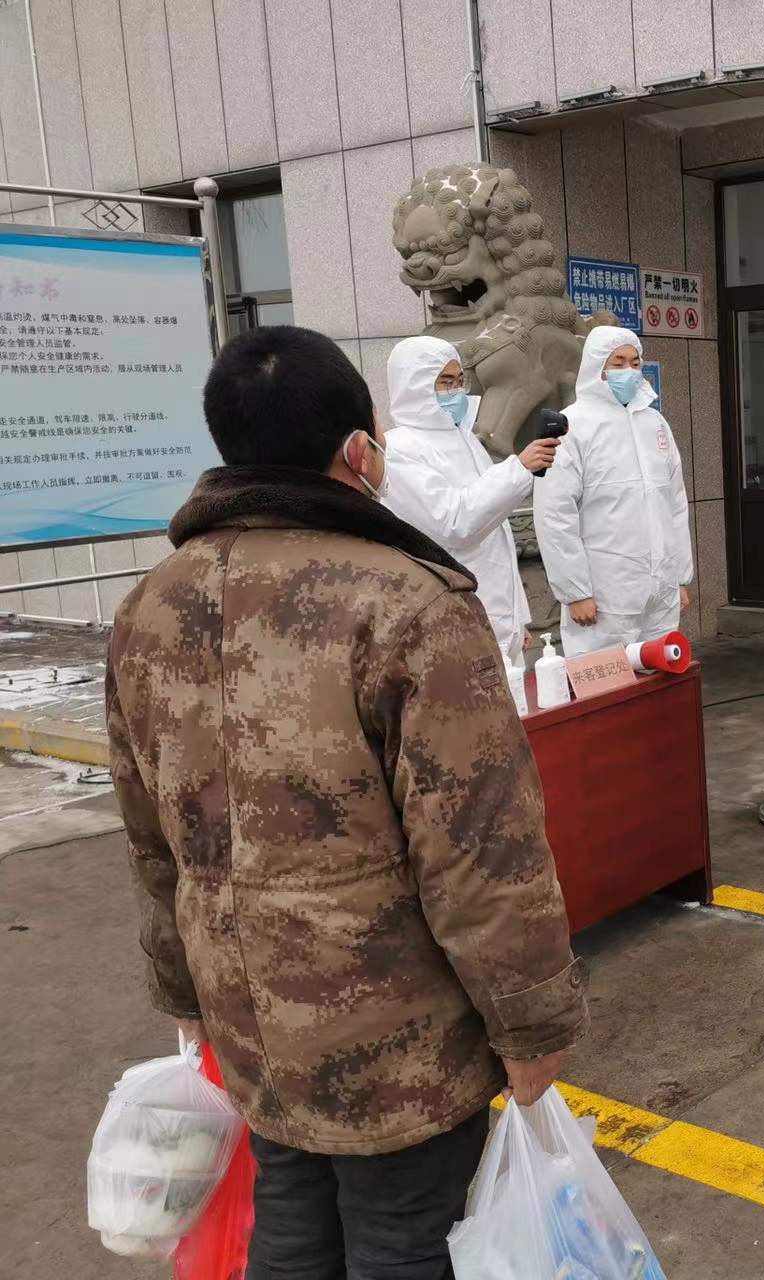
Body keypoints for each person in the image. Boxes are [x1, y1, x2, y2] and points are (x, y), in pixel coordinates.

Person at [105, 326, 589, 1279]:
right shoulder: (408, 605)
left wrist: (183, 993)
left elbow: (148, 834)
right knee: (405, 1240)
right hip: (396, 1035)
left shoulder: (148, 607)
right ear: (360, 452)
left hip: (248, 1014)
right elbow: (481, 850)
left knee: (290, 1226)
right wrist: (532, 1025)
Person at [381, 335, 561, 666]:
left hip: (496, 617)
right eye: (445, 382)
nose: (457, 392)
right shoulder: (400, 449)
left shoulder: (466, 440)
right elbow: (455, 523)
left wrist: (518, 616)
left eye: (460, 381)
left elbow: (498, 536)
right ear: (413, 385)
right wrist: (518, 469)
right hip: (452, 620)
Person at [535, 326, 693, 656]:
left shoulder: (654, 423)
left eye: (635, 363)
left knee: (659, 674)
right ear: (598, 368)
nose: (629, 371)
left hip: (660, 591)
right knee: (607, 680)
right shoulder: (571, 425)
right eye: (618, 363)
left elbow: (675, 504)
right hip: (604, 594)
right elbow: (555, 513)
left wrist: (679, 577)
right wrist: (575, 591)